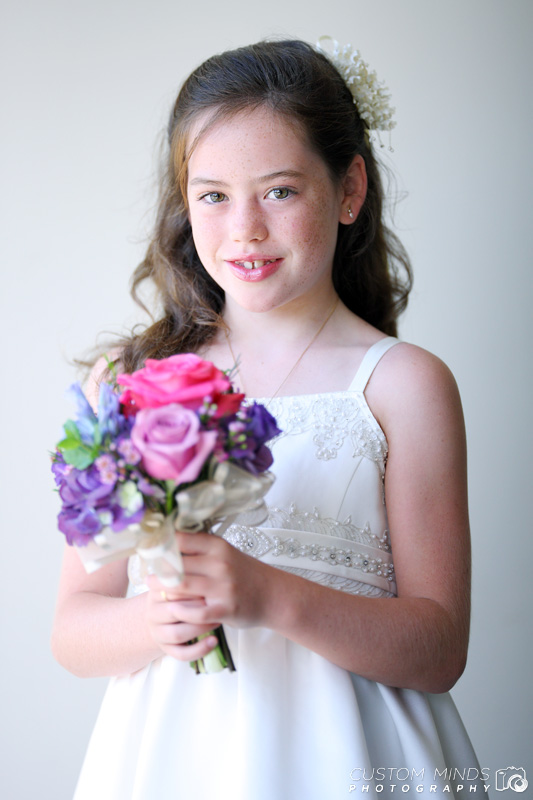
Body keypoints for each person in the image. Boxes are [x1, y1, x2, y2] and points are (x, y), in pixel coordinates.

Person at [52, 39, 487, 799]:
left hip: (353, 756)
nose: (244, 228)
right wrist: (154, 621)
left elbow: (440, 647)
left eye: (280, 191)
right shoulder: (130, 384)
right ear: (185, 204)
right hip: (171, 758)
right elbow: (74, 630)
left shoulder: (402, 385)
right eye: (213, 195)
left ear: (348, 188)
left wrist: (268, 595)